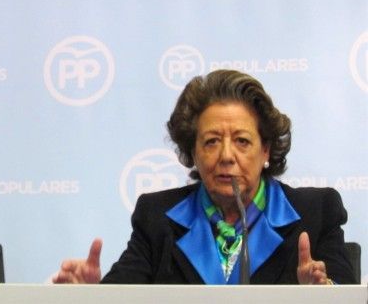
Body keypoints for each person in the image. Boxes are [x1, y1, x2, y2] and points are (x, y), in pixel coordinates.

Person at [52, 69, 356, 285]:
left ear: (265, 150)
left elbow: (345, 290)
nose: (226, 156)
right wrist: (91, 296)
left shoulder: (316, 212)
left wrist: (322, 293)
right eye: (211, 141)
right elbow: (123, 291)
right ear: (193, 152)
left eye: (242, 141)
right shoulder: (157, 218)